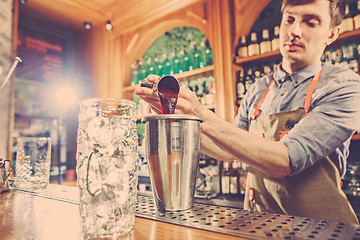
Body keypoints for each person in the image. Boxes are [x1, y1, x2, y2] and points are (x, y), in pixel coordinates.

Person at [135, 0, 360, 224]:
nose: (294, 31)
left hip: (322, 228)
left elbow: (286, 159)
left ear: (332, 34)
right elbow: (226, 151)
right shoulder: (258, 89)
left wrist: (200, 113)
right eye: (289, 19)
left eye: (310, 22)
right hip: (262, 224)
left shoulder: (344, 86)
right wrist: (182, 118)